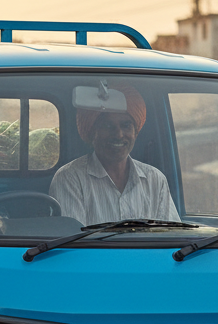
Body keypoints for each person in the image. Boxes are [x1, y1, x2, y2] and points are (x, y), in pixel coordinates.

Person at [49, 84, 180, 226]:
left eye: (126, 125)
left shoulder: (155, 179)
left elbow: (171, 236)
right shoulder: (70, 178)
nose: (118, 135)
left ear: (136, 132)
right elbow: (74, 243)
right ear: (93, 133)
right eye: (107, 126)